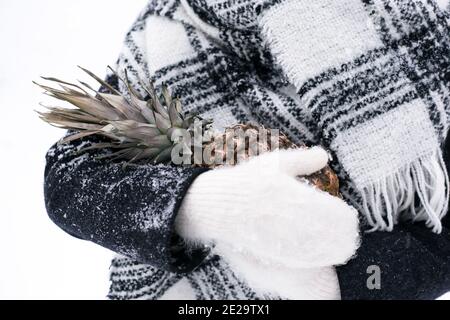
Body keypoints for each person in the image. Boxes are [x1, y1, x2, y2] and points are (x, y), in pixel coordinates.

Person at [43, 0, 450, 299]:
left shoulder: (418, 19)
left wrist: (340, 284)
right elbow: (69, 179)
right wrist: (205, 204)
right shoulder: (163, 33)